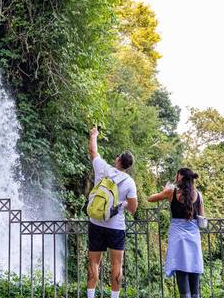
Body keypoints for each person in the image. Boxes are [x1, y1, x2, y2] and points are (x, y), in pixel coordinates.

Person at [86, 126, 138, 298]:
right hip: (116, 226)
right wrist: (122, 204)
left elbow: (93, 150)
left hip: (96, 223)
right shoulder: (129, 182)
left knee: (94, 262)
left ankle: (91, 295)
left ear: (117, 160)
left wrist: (94, 134)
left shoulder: (103, 168)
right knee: (117, 264)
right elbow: (133, 208)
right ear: (128, 166)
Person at [148, 168, 204, 298]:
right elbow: (202, 217)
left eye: (176, 174)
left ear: (180, 177)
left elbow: (151, 198)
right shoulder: (199, 195)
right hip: (194, 236)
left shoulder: (171, 192)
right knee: (194, 269)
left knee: (181, 269)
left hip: (177, 237)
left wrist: (164, 192)